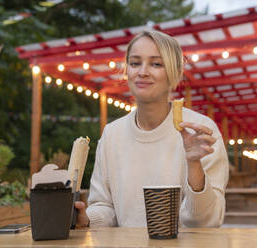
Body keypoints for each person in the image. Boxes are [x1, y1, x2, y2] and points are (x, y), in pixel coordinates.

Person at [74, 30, 229, 227]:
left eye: (156, 64)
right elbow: (105, 206)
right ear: (127, 71)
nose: (142, 72)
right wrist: (86, 219)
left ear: (174, 72)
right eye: (135, 63)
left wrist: (194, 165)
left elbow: (207, 222)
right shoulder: (112, 134)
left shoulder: (201, 131)